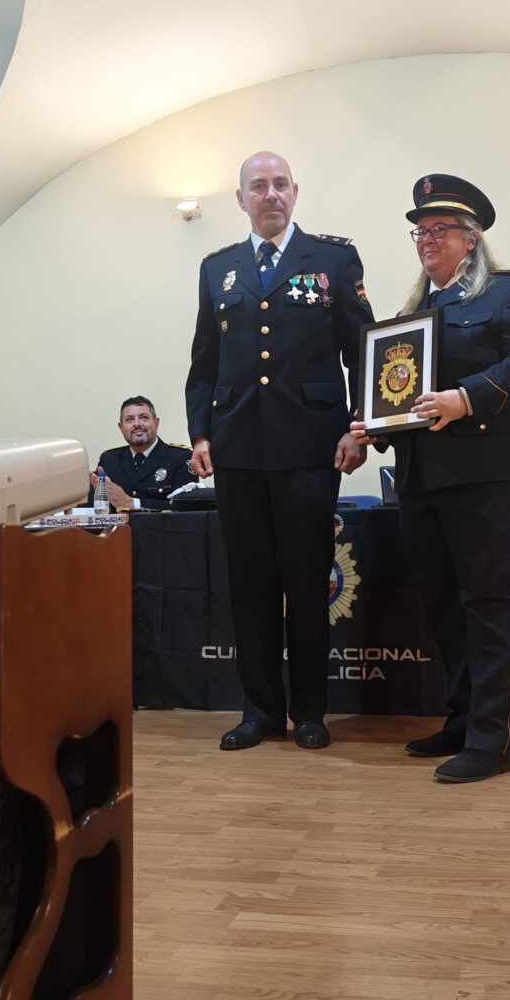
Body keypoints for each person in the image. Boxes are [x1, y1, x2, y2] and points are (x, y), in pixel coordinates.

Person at [352, 174, 510, 783]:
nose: (427, 239)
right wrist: (375, 428)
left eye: (440, 229)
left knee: (490, 602)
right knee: (443, 607)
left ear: (471, 239)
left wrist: (465, 398)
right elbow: (405, 401)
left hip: (493, 475)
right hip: (424, 479)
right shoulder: (412, 316)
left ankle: (494, 741)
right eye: (420, 231)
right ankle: (465, 719)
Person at [186, 150, 373, 752]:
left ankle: (310, 711)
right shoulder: (218, 268)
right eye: (258, 186)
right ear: (241, 199)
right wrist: (200, 435)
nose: (271, 194)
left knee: (307, 581)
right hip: (237, 449)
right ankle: (261, 710)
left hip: (311, 448)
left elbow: (363, 352)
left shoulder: (333, 260)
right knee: (250, 586)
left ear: (295, 192)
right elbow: (204, 364)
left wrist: (359, 428)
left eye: (280, 184)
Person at [89, 395, 196, 511]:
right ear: (121, 427)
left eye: (144, 418)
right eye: (129, 419)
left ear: (156, 423)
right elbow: (91, 507)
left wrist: (132, 503)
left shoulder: (181, 458)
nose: (137, 424)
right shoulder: (109, 460)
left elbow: (186, 506)